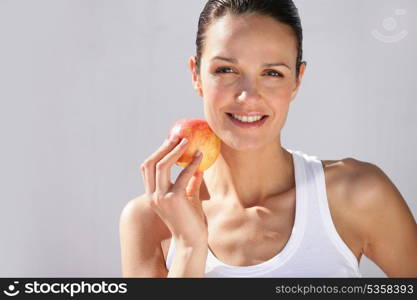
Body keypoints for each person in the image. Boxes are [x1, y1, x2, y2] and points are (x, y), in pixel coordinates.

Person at [119, 0, 417, 277]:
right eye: (226, 69)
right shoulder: (148, 220)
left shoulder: (357, 194)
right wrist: (187, 247)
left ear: (297, 80)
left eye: (272, 73)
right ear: (196, 75)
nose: (248, 96)